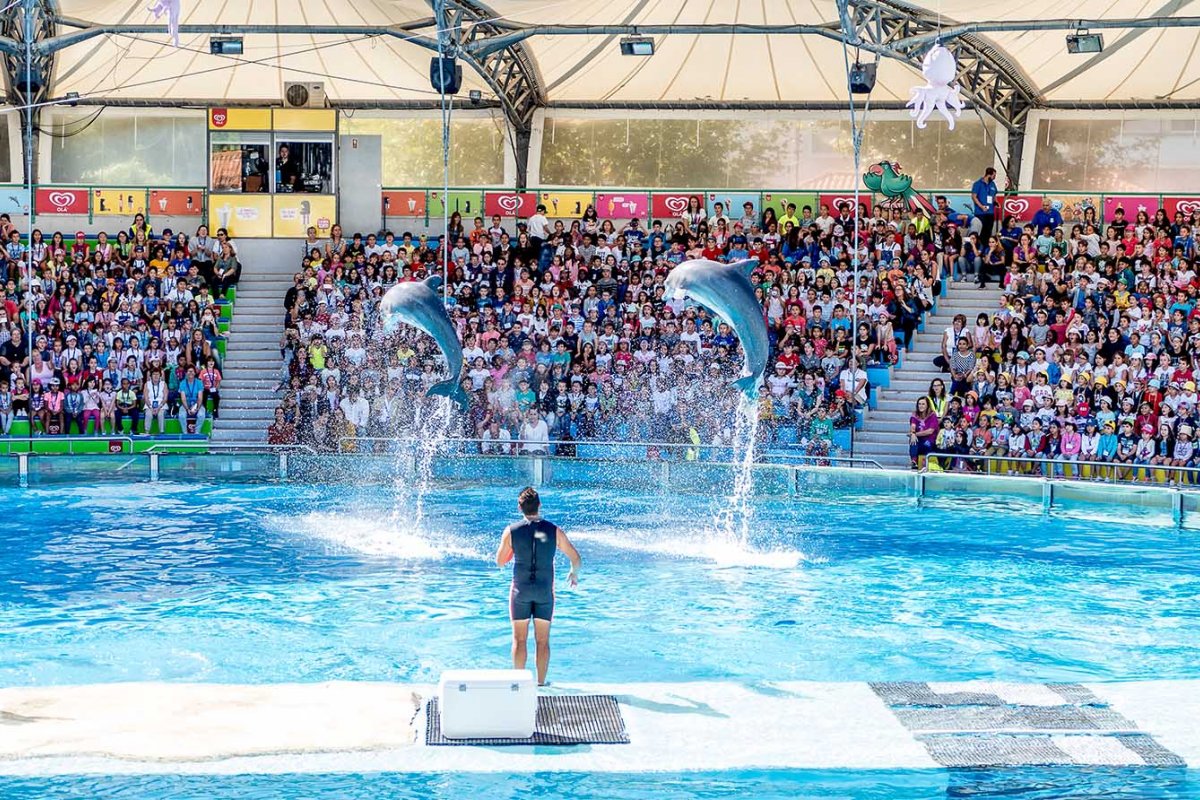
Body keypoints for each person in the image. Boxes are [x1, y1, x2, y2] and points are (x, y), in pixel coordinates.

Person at [495, 487, 582, 686]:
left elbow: (499, 562)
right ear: (539, 505)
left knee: (519, 640)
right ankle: (541, 684)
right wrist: (573, 573)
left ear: (520, 507)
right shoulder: (554, 531)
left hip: (520, 591)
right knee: (542, 641)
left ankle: (518, 684)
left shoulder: (511, 531)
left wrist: (512, 552)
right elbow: (576, 558)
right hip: (544, 592)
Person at [971, 167, 998, 250]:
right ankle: (979, 249)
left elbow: (994, 195)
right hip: (980, 213)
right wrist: (981, 206)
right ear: (989, 175)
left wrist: (995, 202)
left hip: (990, 212)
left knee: (988, 231)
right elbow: (974, 197)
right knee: (981, 232)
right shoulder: (977, 184)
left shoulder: (992, 184)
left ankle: (987, 249)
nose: (994, 177)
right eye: (993, 175)